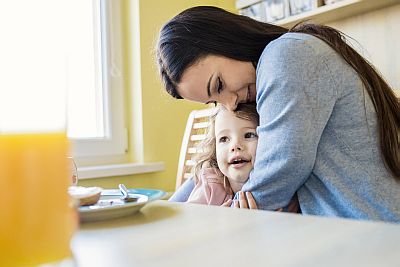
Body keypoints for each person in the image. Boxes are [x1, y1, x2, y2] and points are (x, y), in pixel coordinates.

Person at [157, 6, 400, 222]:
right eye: (214, 100)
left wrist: (220, 222)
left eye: (219, 85)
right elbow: (211, 167)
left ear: (224, 40)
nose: (229, 104)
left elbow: (282, 165)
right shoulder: (272, 71)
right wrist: (168, 214)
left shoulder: (287, 55)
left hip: (371, 231)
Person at [170, 103, 299, 211]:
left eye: (249, 135)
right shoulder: (211, 186)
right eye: (224, 139)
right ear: (215, 150)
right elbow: (186, 225)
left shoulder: (282, 187)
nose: (235, 146)